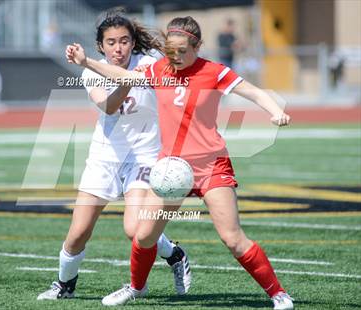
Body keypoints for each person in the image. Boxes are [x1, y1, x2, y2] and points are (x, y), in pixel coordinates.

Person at [66, 15, 294, 310]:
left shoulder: (214, 72)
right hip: (172, 169)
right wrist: (87, 63)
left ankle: (279, 294)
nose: (176, 57)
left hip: (211, 166)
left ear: (197, 47)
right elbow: (124, 78)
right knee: (144, 234)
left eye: (183, 51)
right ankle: (136, 288)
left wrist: (275, 111)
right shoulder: (160, 69)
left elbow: (253, 92)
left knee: (232, 238)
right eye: (171, 50)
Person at [37, 10, 192, 301]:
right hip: (105, 157)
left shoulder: (149, 64)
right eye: (111, 42)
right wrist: (123, 78)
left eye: (123, 41)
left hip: (144, 158)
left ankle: (173, 254)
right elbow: (108, 107)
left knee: (134, 228)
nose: (118, 48)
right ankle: (65, 286)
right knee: (78, 231)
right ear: (101, 46)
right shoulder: (89, 73)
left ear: (133, 43)